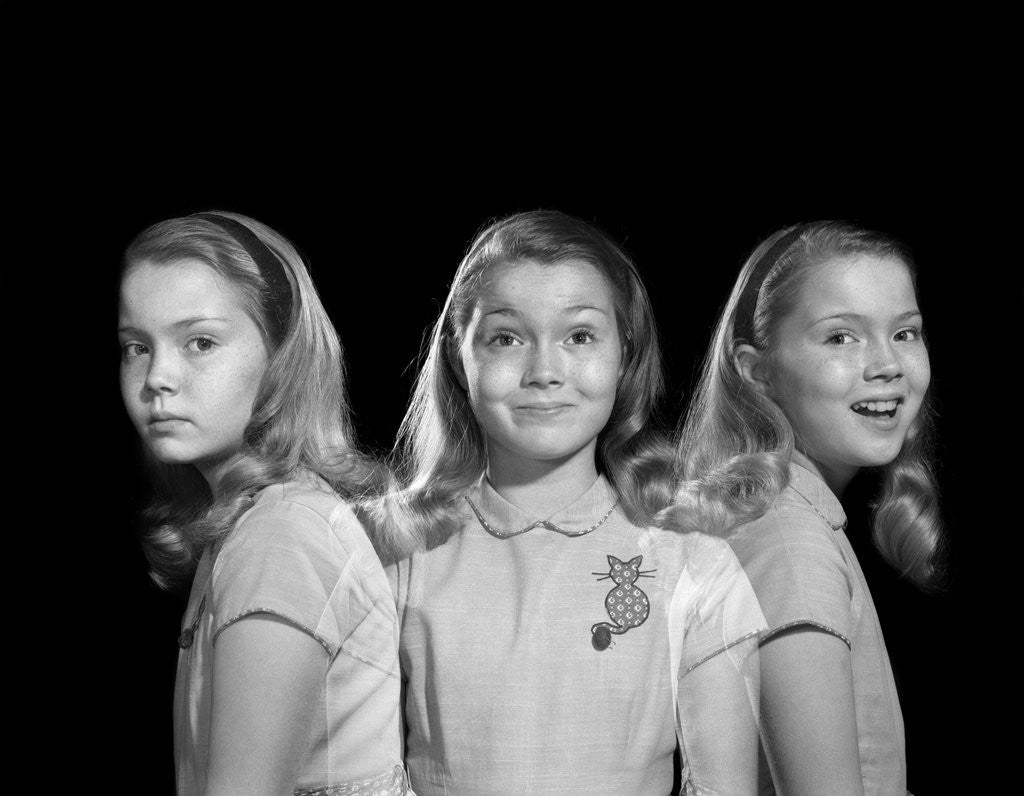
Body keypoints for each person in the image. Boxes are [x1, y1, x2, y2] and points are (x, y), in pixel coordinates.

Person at [375, 210, 765, 794]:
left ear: (624, 354)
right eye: (506, 338)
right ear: (460, 358)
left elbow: (724, 787)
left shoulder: (692, 558)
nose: (546, 372)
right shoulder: (395, 550)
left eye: (579, 336)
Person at [118, 212, 407, 795]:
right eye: (136, 347)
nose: (157, 377)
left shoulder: (281, 536)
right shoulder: (255, 520)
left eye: (200, 342)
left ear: (281, 356)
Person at [665, 221, 944, 794]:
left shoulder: (782, 517)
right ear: (756, 370)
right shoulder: (790, 543)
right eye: (841, 337)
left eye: (906, 333)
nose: (886, 364)